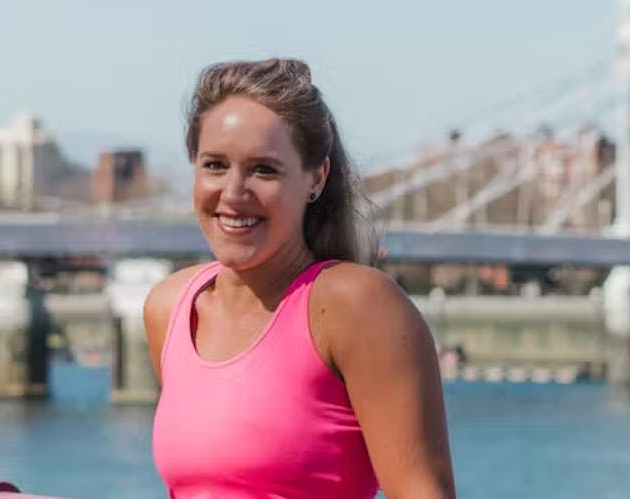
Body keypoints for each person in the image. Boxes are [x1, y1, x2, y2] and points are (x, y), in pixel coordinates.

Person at [145, 58, 456, 499]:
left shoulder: (356, 306)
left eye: (264, 170)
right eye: (214, 165)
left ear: (316, 178)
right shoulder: (169, 307)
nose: (233, 193)